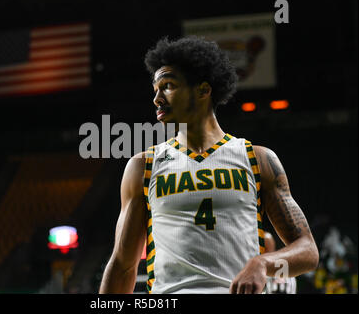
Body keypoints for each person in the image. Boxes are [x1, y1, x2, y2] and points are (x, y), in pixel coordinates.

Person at [99, 37, 319, 294]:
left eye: (168, 86)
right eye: (155, 89)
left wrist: (264, 263)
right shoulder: (143, 166)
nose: (157, 98)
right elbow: (123, 264)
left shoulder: (257, 159)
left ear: (203, 90)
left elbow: (308, 251)